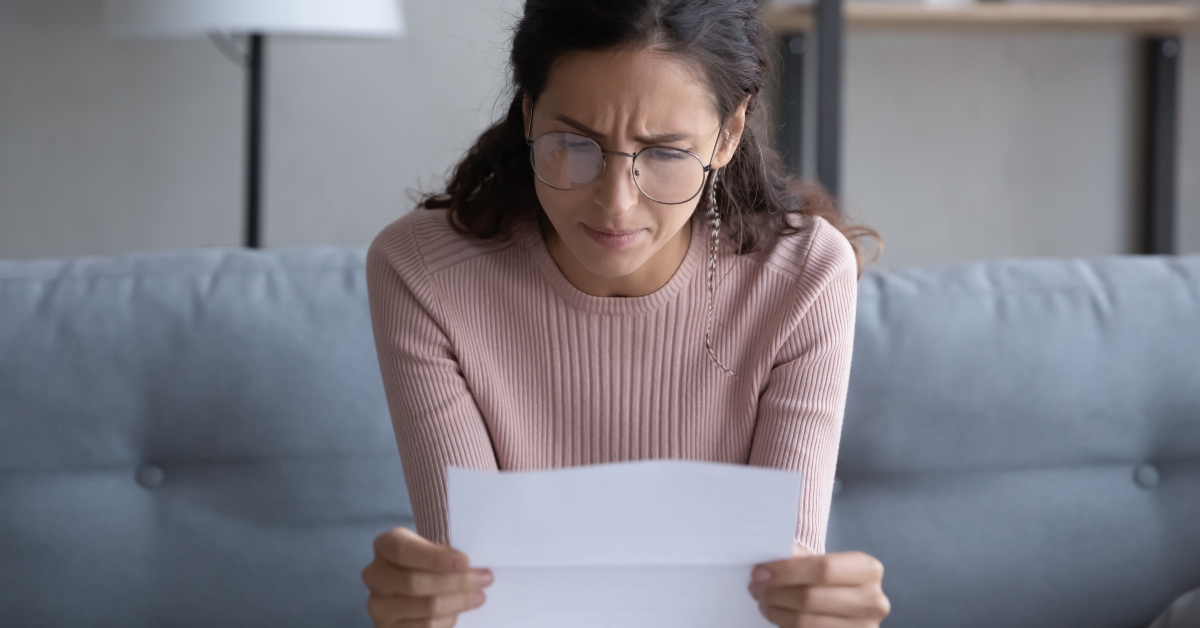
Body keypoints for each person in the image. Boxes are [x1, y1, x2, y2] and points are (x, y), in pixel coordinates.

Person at [360, 1, 889, 626]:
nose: (615, 204)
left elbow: (780, 583)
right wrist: (431, 604)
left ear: (728, 133)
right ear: (529, 114)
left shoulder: (803, 274)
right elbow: (479, 590)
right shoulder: (421, 272)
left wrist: (819, 609)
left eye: (665, 153)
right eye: (573, 144)